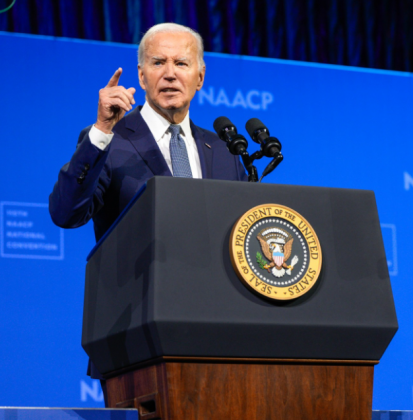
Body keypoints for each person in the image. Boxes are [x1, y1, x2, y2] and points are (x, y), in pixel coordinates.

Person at [49, 22, 247, 404]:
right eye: (158, 62)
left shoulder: (223, 150)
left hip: (221, 335)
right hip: (135, 338)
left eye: (182, 63)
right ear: (141, 76)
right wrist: (103, 129)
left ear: (200, 76)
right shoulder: (113, 140)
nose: (170, 73)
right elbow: (65, 213)